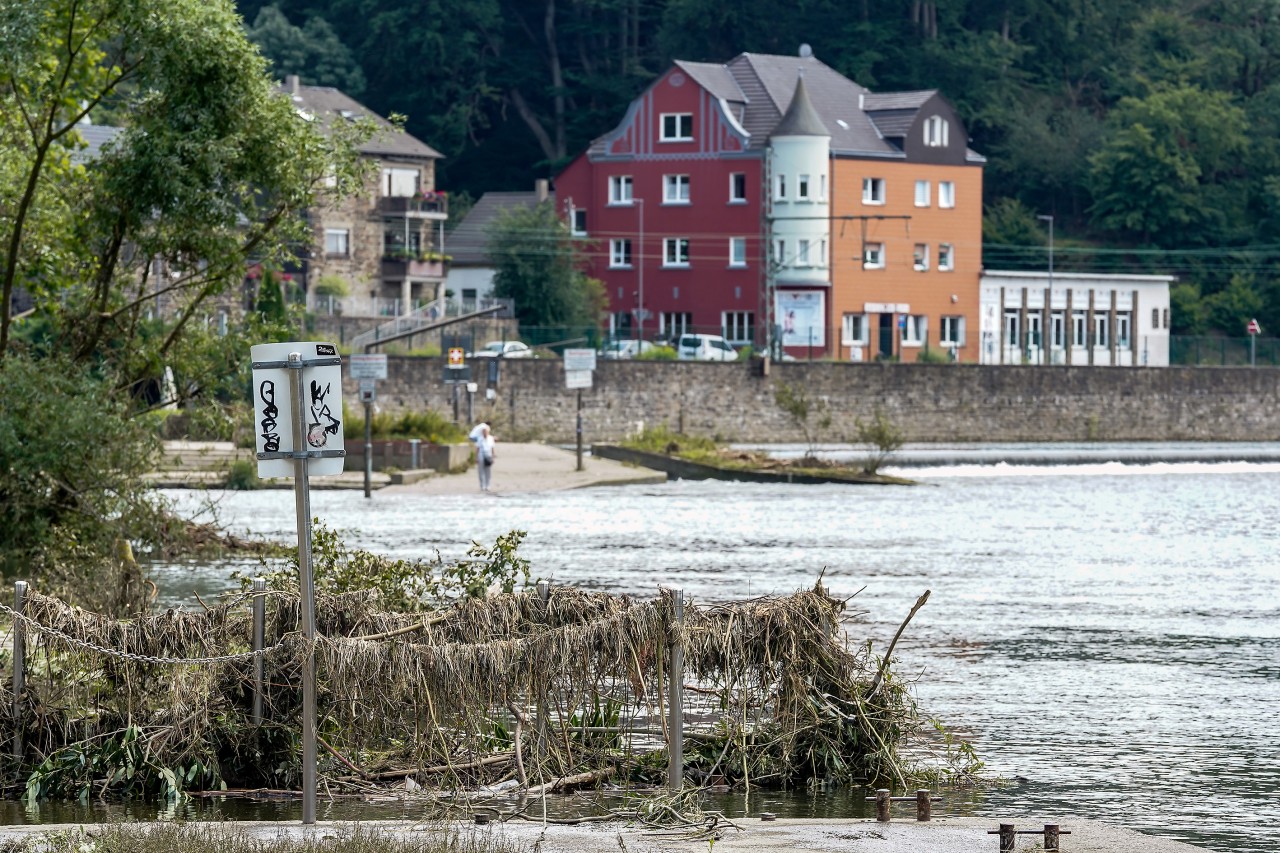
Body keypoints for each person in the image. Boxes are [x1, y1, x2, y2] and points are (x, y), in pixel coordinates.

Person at [475, 424, 496, 492]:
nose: (484, 432)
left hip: (488, 455)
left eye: (486, 431)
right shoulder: (479, 438)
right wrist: (476, 457)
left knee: (488, 472)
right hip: (481, 455)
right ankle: (482, 486)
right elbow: (477, 448)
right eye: (483, 431)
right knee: (481, 472)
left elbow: (492, 448)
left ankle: (488, 486)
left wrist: (493, 457)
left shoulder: (491, 438)